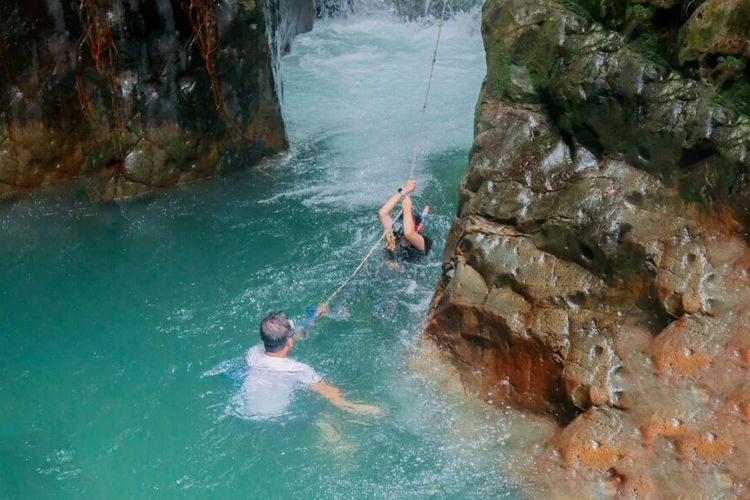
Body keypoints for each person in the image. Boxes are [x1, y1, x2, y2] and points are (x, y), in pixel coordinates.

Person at [240, 310, 382, 419]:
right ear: (289, 342)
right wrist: (357, 407)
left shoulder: (252, 353)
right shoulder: (297, 369)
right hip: (277, 421)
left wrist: (312, 319)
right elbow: (331, 395)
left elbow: (280, 338)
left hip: (246, 415)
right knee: (322, 411)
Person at [378, 178, 432, 261]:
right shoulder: (394, 235)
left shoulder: (423, 242)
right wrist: (403, 191)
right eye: (402, 221)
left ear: (416, 227)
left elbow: (409, 234)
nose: (403, 225)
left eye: (407, 222)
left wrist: (407, 207)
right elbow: (382, 214)